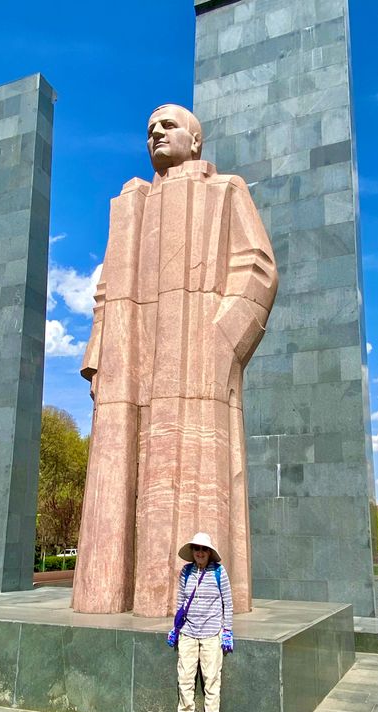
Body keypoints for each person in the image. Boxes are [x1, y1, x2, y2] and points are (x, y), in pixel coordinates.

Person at [72, 104, 277, 617]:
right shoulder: (131, 203)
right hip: (130, 354)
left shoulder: (225, 189)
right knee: (119, 464)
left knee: (191, 470)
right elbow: (105, 291)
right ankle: (108, 594)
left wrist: (219, 340)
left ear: (196, 140)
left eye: (168, 126)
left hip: (195, 354)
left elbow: (258, 269)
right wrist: (99, 355)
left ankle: (185, 601)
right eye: (150, 130)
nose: (156, 134)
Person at [168, 531, 233, 712]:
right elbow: (181, 601)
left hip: (211, 633)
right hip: (188, 632)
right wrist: (176, 628)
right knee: (185, 677)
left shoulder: (219, 572)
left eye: (204, 549)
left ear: (210, 552)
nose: (200, 552)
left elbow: (227, 603)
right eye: (197, 549)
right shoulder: (186, 572)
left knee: (211, 678)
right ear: (192, 551)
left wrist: (227, 630)